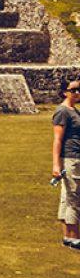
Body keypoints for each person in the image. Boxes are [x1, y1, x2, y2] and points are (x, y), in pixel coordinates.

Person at [52, 77, 80, 249]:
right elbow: (57, 140)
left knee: (68, 196)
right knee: (74, 197)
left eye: (79, 90)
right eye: (74, 90)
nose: (77, 93)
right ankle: (75, 237)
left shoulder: (74, 110)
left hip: (75, 158)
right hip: (71, 158)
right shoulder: (63, 111)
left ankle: (67, 236)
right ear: (64, 92)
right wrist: (56, 164)